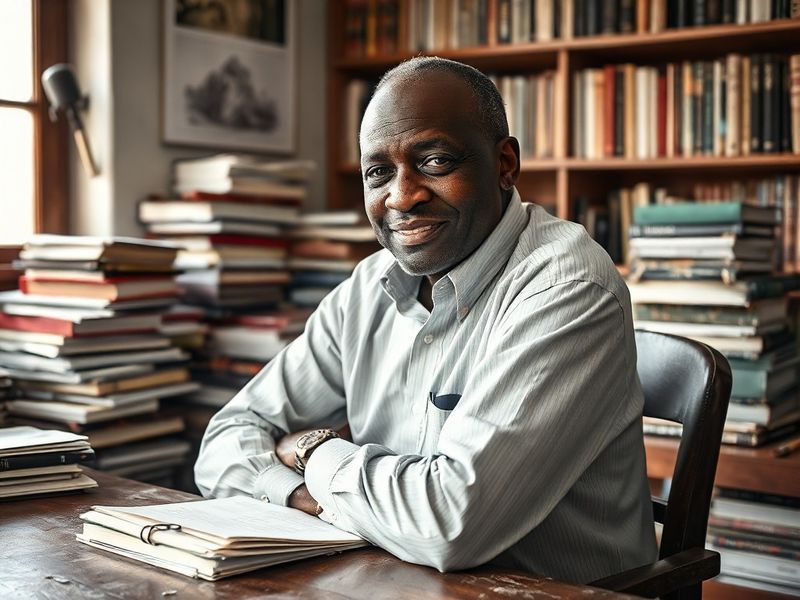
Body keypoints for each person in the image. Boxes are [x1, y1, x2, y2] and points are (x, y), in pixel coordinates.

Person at [195, 56, 657, 583]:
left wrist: (313, 452)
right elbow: (226, 439)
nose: (401, 196)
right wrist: (296, 492)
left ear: (505, 165)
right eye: (378, 173)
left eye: (435, 161)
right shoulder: (369, 287)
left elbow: (448, 522)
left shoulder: (566, 288)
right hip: (386, 580)